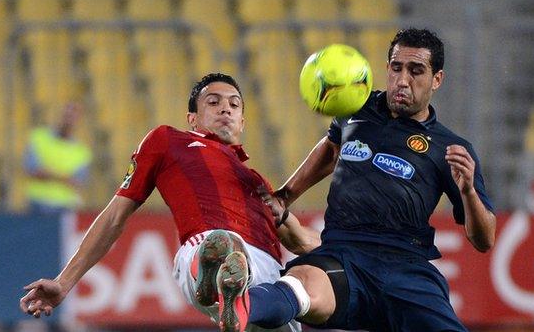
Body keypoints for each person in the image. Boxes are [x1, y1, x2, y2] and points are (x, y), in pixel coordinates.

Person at [215, 28, 497, 332]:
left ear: (437, 79)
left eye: (416, 71)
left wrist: (467, 191)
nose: (403, 80)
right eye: (397, 68)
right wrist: (286, 195)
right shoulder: (354, 108)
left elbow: (484, 240)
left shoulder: (449, 148)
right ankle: (240, 305)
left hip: (406, 268)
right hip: (343, 253)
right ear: (387, 68)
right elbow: (331, 149)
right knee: (303, 284)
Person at [19, 73, 320, 332]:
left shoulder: (258, 183)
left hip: (268, 274)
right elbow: (114, 216)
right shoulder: (168, 141)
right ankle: (215, 273)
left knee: (268, 284)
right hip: (205, 244)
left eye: (234, 104)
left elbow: (302, 242)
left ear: (242, 121)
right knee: (223, 244)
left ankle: (227, 285)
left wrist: (357, 250)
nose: (225, 109)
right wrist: (64, 282)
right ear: (192, 118)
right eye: (213, 102)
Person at [23, 102, 92, 216]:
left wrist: (49, 173)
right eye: (66, 115)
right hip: (37, 204)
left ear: (79, 120)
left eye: (72, 116)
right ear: (60, 115)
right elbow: (32, 170)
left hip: (65, 207)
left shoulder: (82, 152)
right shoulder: (38, 137)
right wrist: (64, 177)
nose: (68, 120)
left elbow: (77, 182)